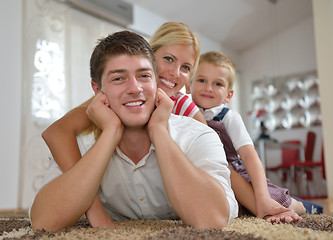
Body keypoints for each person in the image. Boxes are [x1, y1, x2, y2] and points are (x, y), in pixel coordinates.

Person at [29, 31, 238, 232]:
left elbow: (213, 219)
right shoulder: (79, 143)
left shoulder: (199, 135)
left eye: (144, 75)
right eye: (118, 78)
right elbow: (44, 222)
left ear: (156, 82)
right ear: (97, 90)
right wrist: (110, 133)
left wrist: (159, 131)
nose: (135, 88)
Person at [188, 51, 323, 221]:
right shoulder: (186, 115)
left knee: (276, 202)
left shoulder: (229, 117)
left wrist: (262, 196)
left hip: (235, 173)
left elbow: (249, 156)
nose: (208, 88)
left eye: (218, 84)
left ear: (229, 95)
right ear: (189, 84)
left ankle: (306, 206)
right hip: (207, 174)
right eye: (202, 80)